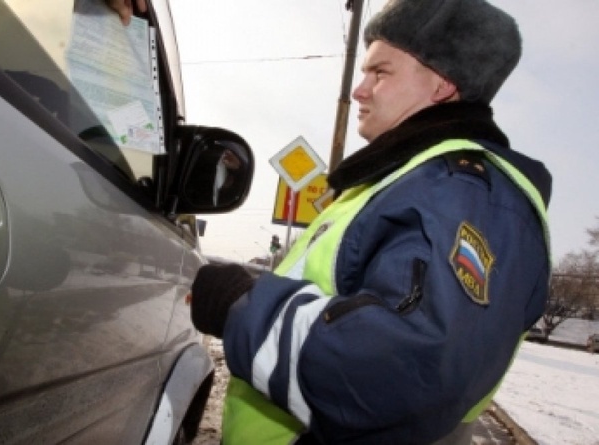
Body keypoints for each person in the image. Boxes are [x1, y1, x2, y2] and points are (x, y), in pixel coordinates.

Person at [188, 0, 552, 444]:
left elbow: (403, 373)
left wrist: (240, 305)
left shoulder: (459, 191)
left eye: (380, 73)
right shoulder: (405, 183)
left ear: (441, 84)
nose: (360, 90)